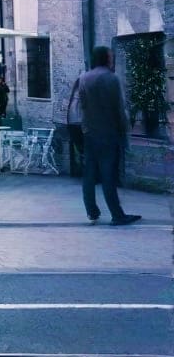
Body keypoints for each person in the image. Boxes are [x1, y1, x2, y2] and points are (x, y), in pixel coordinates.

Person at [76, 47, 140, 226]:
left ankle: (91, 211)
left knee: (89, 173)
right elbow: (119, 108)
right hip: (108, 132)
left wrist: (85, 127)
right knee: (108, 174)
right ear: (106, 58)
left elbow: (82, 106)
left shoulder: (84, 78)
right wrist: (124, 133)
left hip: (89, 132)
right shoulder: (112, 78)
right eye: (110, 56)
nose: (112, 59)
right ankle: (117, 214)